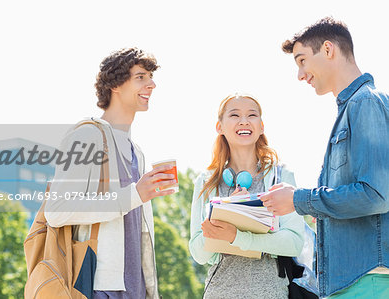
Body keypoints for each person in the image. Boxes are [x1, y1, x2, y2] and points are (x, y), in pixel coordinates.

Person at [261, 17, 389, 298]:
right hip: (350, 282)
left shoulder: (365, 102)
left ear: (328, 50)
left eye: (302, 60)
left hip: (366, 280)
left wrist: (298, 200)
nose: (300, 74)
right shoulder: (351, 108)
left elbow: (377, 195)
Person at [44, 48, 176, 299]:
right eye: (141, 77)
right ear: (115, 85)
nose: (152, 84)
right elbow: (57, 210)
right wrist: (134, 195)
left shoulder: (137, 150)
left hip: (136, 289)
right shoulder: (87, 137)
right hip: (100, 288)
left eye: (150, 77)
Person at [189, 94, 305, 299]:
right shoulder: (206, 181)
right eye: (234, 115)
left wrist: (237, 237)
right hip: (219, 292)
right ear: (220, 127)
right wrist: (222, 216)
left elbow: (294, 243)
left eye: (252, 115)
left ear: (261, 127)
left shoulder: (281, 176)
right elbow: (199, 254)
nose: (244, 121)